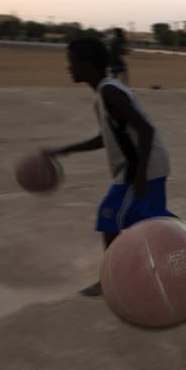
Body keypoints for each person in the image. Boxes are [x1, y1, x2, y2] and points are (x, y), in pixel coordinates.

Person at [44, 37, 173, 296]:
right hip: (149, 165)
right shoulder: (105, 94)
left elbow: (145, 131)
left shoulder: (109, 92)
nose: (69, 68)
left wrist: (138, 178)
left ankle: (112, 279)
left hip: (141, 167)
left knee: (109, 215)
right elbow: (107, 137)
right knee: (153, 219)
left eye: (72, 63)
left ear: (88, 64)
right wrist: (65, 150)